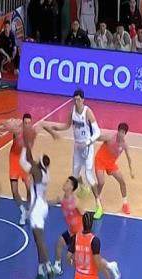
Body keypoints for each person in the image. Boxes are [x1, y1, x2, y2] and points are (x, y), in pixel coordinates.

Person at [50, 89, 103, 220]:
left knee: (89, 176)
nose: (76, 102)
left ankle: (99, 206)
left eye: (79, 99)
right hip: (77, 146)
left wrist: (87, 142)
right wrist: (55, 128)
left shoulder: (88, 112)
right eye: (75, 99)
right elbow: (67, 125)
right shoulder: (72, 111)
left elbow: (97, 132)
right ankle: (75, 196)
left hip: (87, 147)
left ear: (83, 100)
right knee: (74, 175)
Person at [19, 137, 54, 279]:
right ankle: (41, 271)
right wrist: (28, 145)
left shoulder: (37, 172)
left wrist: (25, 147)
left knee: (40, 241)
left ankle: (48, 267)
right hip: (42, 206)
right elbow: (31, 160)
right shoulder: (43, 172)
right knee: (37, 240)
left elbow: (23, 161)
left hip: (36, 208)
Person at [0, 115, 32, 225]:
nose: (27, 125)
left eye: (29, 123)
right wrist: (6, 123)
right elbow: (5, 124)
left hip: (24, 160)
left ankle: (28, 208)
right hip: (14, 159)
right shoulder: (17, 129)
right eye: (25, 123)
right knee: (14, 191)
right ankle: (23, 211)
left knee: (29, 189)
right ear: (22, 123)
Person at [95, 123, 133, 215]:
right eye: (120, 131)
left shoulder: (124, 145)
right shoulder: (109, 137)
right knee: (101, 182)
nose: (121, 134)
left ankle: (125, 204)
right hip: (100, 160)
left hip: (111, 164)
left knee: (122, 181)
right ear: (118, 131)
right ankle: (97, 200)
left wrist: (131, 171)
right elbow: (97, 138)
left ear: (125, 134)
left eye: (123, 132)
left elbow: (129, 158)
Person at [52, 176, 84, 276]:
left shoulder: (75, 200)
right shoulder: (63, 198)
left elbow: (84, 214)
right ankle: (57, 267)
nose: (64, 183)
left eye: (67, 182)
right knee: (59, 244)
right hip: (71, 231)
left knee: (72, 257)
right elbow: (53, 202)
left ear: (71, 187)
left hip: (79, 232)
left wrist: (84, 233)